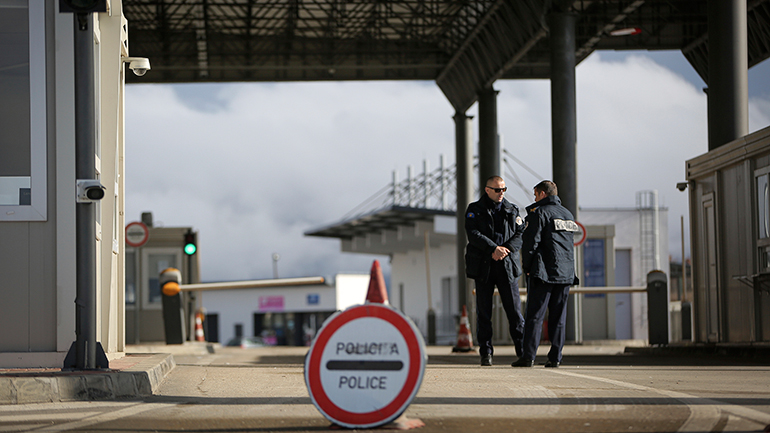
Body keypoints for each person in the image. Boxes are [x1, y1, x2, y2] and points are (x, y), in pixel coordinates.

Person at [512, 180, 579, 368]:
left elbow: (530, 244)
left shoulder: (539, 213)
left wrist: (527, 267)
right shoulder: (567, 214)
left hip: (544, 273)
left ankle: (528, 356)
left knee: (535, 315)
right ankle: (555, 357)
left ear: (542, 194)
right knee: (559, 317)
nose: (534, 198)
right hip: (565, 274)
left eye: (535, 195)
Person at [464, 175, 525, 366]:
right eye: (498, 190)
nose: (501, 193)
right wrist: (493, 249)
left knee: (514, 312)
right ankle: (486, 353)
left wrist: (504, 250)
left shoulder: (511, 209)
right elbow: (473, 234)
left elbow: (520, 233)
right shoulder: (474, 210)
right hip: (484, 267)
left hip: (506, 266)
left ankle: (523, 352)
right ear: (487, 190)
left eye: (504, 190)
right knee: (484, 313)